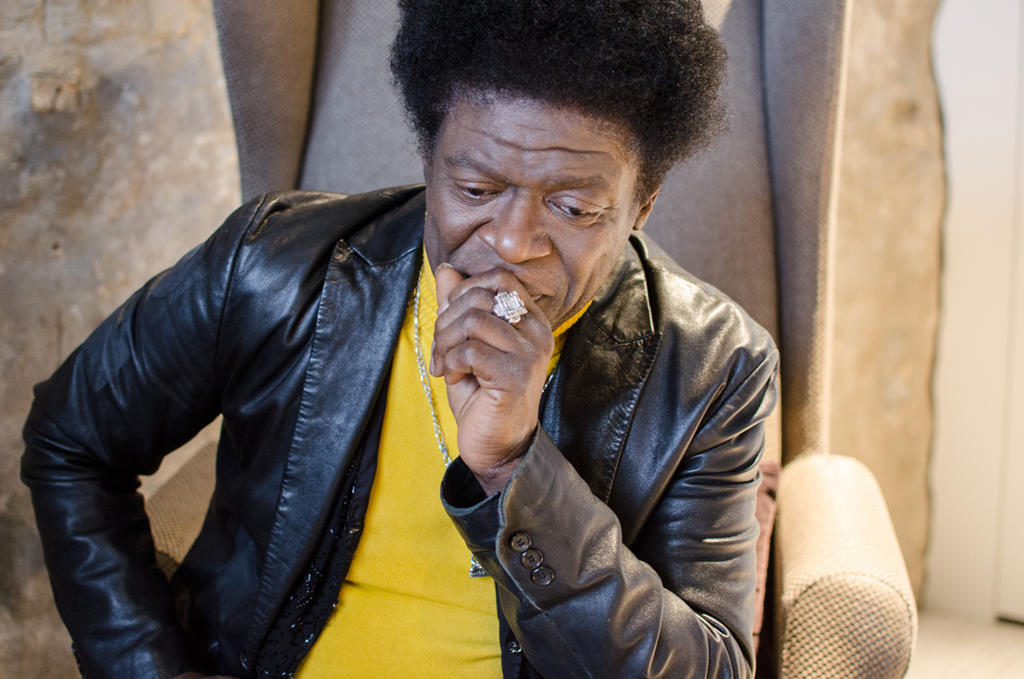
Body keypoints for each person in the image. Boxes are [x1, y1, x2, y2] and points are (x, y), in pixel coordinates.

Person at [22, 1, 778, 677]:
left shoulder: (715, 366)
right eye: (476, 190)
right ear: (429, 158)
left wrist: (512, 468)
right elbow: (71, 439)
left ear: (642, 205)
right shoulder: (272, 266)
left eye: (574, 208)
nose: (513, 242)